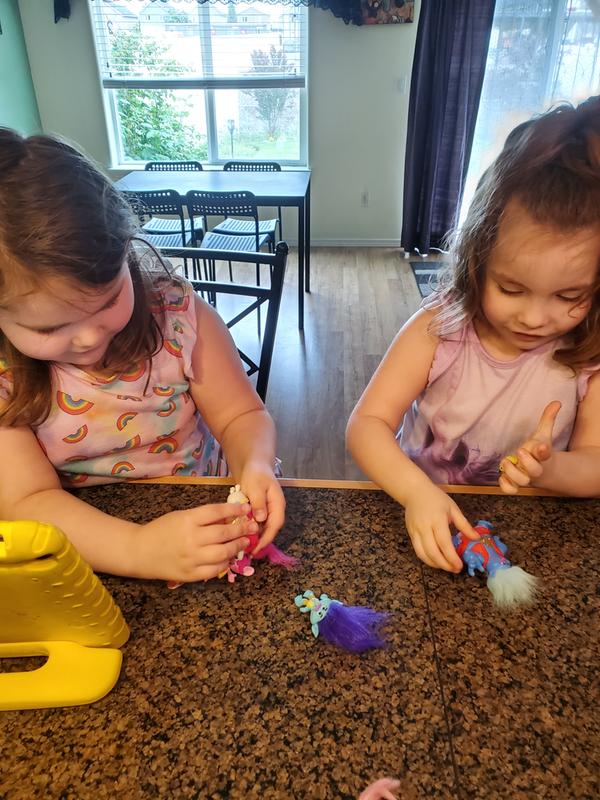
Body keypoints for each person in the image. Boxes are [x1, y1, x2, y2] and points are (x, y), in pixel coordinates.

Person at [0, 128, 285, 583]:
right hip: (86, 542)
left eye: (109, 300)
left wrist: (254, 463)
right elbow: (27, 500)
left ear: (127, 255)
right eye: (49, 328)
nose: (88, 338)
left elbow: (241, 415)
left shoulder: (178, 318)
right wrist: (137, 548)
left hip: (205, 510)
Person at [347, 96, 600, 573]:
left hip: (523, 537)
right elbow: (366, 425)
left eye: (569, 296)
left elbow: (595, 463)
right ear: (476, 260)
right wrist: (416, 492)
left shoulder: (587, 355)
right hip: (420, 519)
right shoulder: (440, 328)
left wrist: (552, 469)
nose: (535, 318)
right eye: (511, 289)